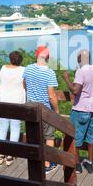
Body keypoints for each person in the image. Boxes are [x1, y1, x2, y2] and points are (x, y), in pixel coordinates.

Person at [62, 49, 93, 174]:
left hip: (80, 110)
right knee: (91, 137)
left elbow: (75, 91)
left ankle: (77, 164)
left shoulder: (80, 71)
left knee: (75, 138)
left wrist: (66, 79)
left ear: (79, 59)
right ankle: (90, 163)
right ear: (89, 58)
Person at [23, 46, 59, 174]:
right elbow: (51, 95)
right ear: (48, 58)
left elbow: (25, 84)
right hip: (45, 110)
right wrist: (57, 110)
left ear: (36, 56)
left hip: (30, 108)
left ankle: (35, 160)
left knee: (34, 135)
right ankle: (47, 164)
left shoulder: (28, 68)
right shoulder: (49, 73)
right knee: (49, 137)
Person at [0, 51, 26, 167]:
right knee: (15, 127)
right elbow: (24, 85)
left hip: (2, 98)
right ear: (20, 60)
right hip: (16, 100)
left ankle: (0, 154)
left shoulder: (3, 68)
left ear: (10, 59)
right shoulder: (23, 70)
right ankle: (10, 155)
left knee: (2, 127)